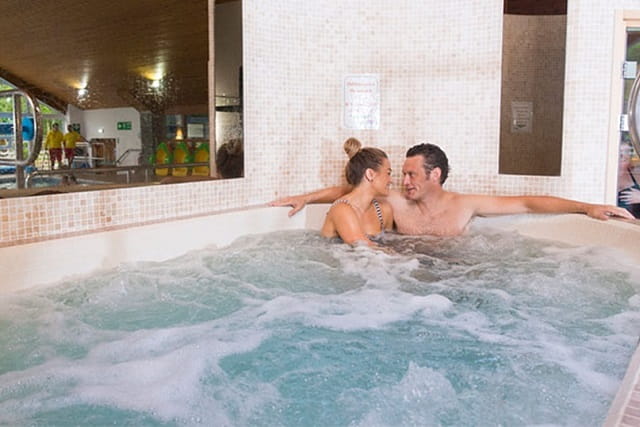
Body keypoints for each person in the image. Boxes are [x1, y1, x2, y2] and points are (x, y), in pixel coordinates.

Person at [271, 142, 634, 237]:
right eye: (402, 174)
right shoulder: (396, 199)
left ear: (436, 175)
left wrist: (586, 208)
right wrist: (305, 197)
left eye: (412, 174)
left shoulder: (465, 205)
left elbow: (526, 201)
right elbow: (348, 190)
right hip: (404, 277)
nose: (404, 181)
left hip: (451, 276)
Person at [321, 138, 394, 246]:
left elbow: (390, 244)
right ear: (370, 174)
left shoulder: (384, 211)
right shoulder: (341, 209)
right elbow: (362, 248)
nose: (391, 180)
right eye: (388, 173)